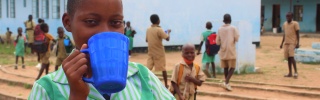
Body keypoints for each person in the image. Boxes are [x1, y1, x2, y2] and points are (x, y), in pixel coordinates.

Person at [29, 0, 174, 99]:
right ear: (68, 22)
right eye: (91, 22)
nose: (106, 32)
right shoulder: (47, 90)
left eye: (115, 22)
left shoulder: (144, 78)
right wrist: (77, 96)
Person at [146, 14, 171, 88]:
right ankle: (166, 84)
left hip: (151, 52)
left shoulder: (148, 29)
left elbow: (146, 40)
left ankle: (147, 83)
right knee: (163, 68)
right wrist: (168, 32)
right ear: (158, 21)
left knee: (148, 69)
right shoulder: (159, 29)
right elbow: (167, 38)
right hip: (159, 51)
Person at [216, 14, 239, 91]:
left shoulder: (220, 29)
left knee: (225, 68)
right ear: (230, 20)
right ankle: (226, 82)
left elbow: (217, 42)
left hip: (223, 50)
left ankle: (227, 83)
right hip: (231, 50)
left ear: (223, 21)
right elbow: (237, 38)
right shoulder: (233, 28)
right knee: (232, 67)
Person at [280, 12, 300, 79]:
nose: (287, 18)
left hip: (292, 43)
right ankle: (290, 73)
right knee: (288, 58)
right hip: (286, 43)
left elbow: (298, 34)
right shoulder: (285, 24)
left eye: (289, 16)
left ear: (292, 17)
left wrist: (297, 43)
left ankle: (296, 72)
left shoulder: (295, 24)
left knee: (291, 57)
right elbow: (284, 34)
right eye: (287, 16)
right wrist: (281, 43)